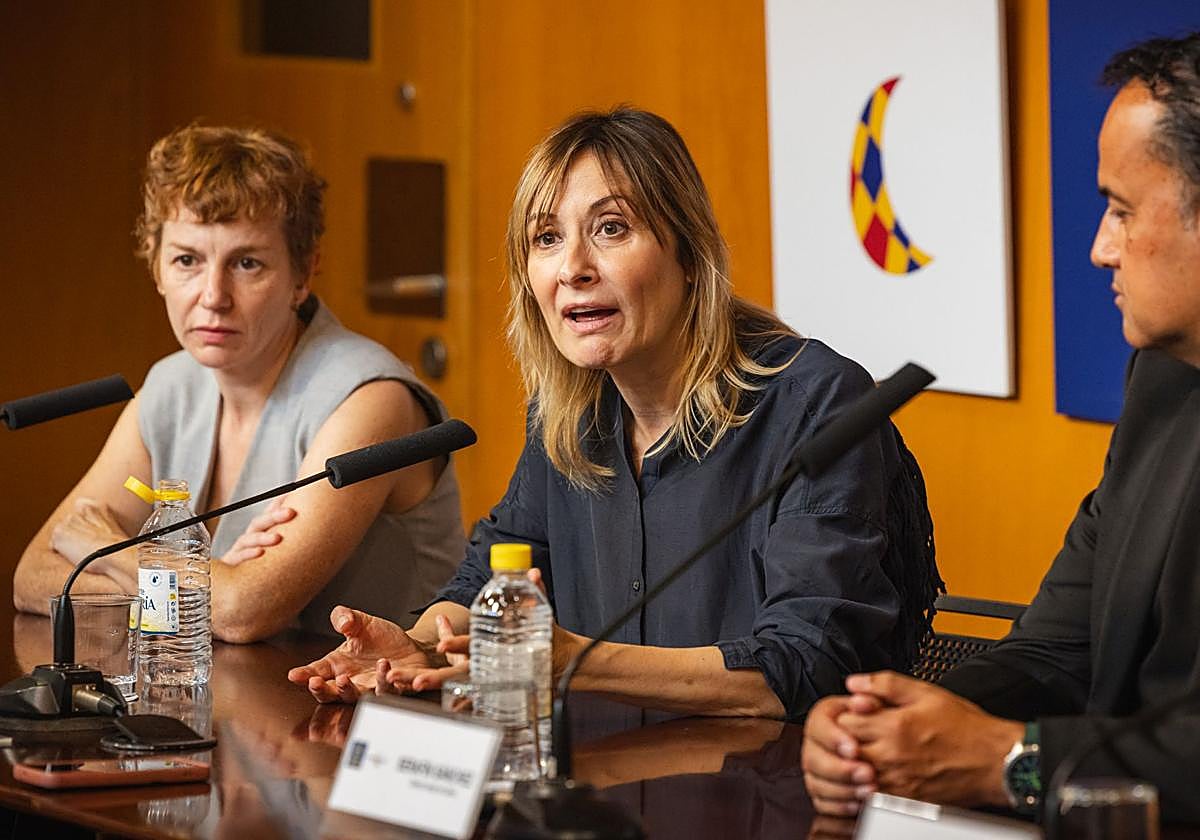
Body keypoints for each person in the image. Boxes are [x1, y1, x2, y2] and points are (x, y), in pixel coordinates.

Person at [289, 107, 940, 719]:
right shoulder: (569, 413)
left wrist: (578, 662)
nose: (573, 268)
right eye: (547, 238)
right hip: (602, 780)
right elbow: (492, 573)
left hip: (769, 785)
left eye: (611, 228)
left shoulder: (815, 404)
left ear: (689, 253)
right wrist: (421, 645)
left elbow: (806, 664)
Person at [801, 33, 1200, 823]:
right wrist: (895, 727)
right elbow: (1056, 650)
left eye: (1122, 211)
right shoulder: (1160, 386)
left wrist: (1012, 762)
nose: (1100, 249)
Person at [13, 125, 465, 642]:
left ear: (303, 274)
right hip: (233, 688)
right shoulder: (171, 384)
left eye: (247, 264)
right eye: (187, 260)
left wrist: (115, 553)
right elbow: (34, 577)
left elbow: (242, 612)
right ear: (156, 268)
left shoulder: (372, 400)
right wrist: (209, 579)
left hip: (381, 692)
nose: (213, 296)